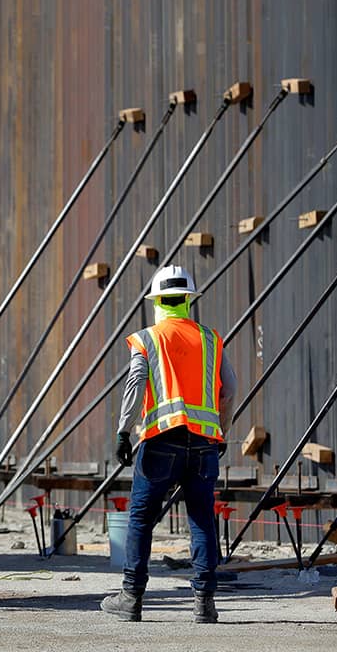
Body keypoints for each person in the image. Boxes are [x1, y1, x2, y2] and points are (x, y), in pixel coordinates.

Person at [101, 265, 236, 624]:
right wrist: (221, 430)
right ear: (189, 300)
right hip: (205, 444)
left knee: (142, 520)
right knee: (202, 521)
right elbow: (231, 389)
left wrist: (122, 432)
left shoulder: (147, 339)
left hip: (160, 441)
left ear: (157, 301)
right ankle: (204, 605)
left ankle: (131, 599)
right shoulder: (211, 339)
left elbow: (135, 385)